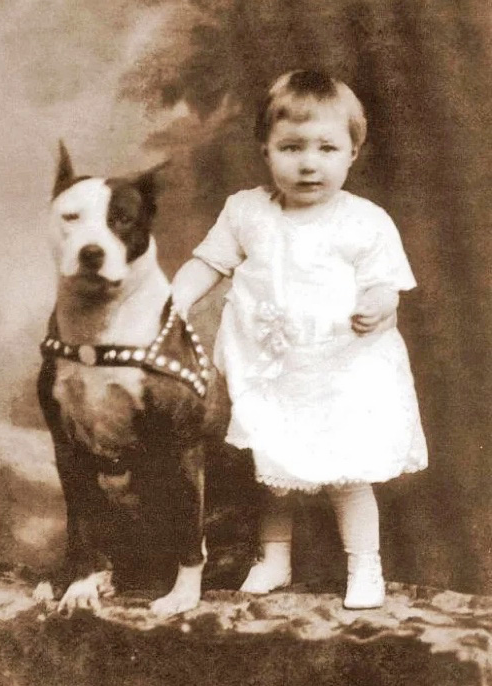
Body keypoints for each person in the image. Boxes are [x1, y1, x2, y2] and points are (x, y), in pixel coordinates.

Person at [171, 69, 427, 609]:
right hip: (274, 369)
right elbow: (209, 263)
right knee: (273, 470)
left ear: (352, 152)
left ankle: (365, 566)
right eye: (291, 147)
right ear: (266, 150)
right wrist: (170, 301)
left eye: (327, 148)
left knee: (347, 476)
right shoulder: (247, 211)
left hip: (340, 372)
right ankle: (274, 558)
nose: (309, 163)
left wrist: (380, 304)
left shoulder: (364, 221)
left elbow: (386, 285)